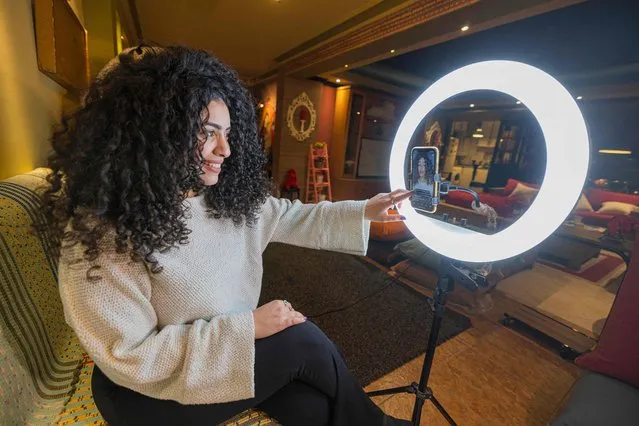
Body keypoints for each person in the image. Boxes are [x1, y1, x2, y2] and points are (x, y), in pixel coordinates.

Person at [44, 45, 413, 426]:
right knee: (300, 338)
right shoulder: (104, 235)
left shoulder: (220, 201)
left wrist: (366, 209)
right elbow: (131, 357)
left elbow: (292, 215)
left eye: (228, 133)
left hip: (219, 357)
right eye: (207, 133)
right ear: (154, 133)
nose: (225, 149)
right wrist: (247, 327)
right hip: (143, 392)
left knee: (313, 410)